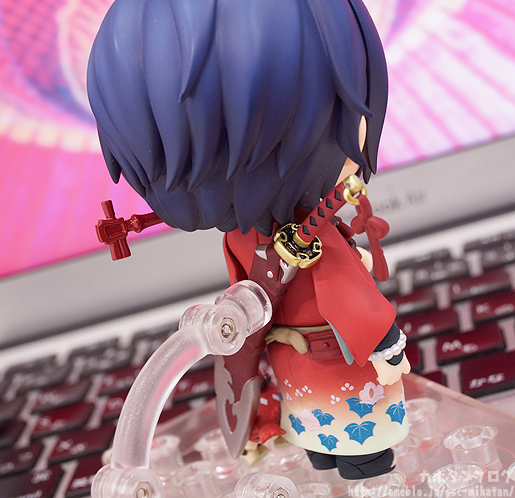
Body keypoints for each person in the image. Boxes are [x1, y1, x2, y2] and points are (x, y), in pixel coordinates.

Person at [87, 0, 410, 479]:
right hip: (338, 364)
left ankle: (324, 453)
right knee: (363, 452)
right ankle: (361, 465)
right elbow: (349, 297)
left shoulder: (241, 237)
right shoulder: (311, 236)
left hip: (292, 368)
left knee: (317, 433)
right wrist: (387, 344)